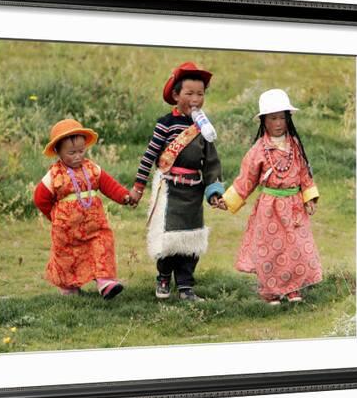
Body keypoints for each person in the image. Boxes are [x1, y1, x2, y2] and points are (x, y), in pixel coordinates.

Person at [129, 61, 225, 302]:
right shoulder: (166, 124)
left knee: (191, 239)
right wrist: (138, 187)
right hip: (170, 190)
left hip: (193, 192)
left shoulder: (204, 127)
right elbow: (150, 156)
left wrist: (213, 191)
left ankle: (185, 286)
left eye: (200, 94)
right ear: (175, 94)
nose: (195, 98)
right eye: (189, 93)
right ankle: (163, 277)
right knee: (169, 238)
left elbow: (211, 162)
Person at [221, 89, 322, 305]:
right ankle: (271, 291)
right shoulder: (259, 150)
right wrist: (228, 199)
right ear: (264, 121)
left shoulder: (295, 146)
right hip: (270, 208)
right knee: (271, 250)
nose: (278, 123)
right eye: (273, 118)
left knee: (295, 247)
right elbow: (246, 178)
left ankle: (293, 287)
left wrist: (309, 197)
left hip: (294, 207)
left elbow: (304, 173)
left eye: (282, 118)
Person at [33, 119, 132, 300]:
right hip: (67, 230)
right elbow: (40, 198)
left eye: (81, 151)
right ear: (58, 151)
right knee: (68, 257)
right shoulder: (55, 174)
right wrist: (55, 216)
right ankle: (70, 287)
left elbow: (109, 185)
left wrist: (124, 196)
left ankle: (105, 281)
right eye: (71, 153)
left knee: (102, 245)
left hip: (95, 225)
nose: (78, 156)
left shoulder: (92, 169)